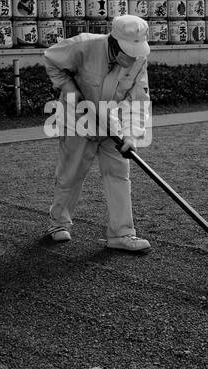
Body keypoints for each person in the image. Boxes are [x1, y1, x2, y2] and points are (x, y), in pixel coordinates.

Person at [43, 14, 152, 251]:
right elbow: (50, 59)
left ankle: (121, 234)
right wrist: (71, 91)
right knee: (71, 174)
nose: (132, 55)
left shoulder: (140, 58)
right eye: (127, 49)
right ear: (113, 41)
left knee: (119, 174)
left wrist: (131, 135)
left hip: (112, 123)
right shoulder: (83, 45)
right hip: (76, 119)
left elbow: (138, 100)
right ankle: (58, 223)